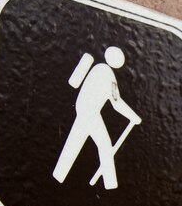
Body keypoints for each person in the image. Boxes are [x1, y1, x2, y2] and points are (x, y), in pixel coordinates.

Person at [52, 46, 141, 190]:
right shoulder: (108, 74)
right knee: (105, 144)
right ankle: (111, 185)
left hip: (83, 109)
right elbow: (116, 102)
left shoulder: (98, 68)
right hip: (90, 113)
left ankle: (58, 176)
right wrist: (133, 116)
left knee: (74, 141)